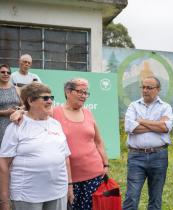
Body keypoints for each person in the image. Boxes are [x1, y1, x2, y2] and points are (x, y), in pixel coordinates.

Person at [10, 78, 109, 210]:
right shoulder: (54, 112)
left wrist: (106, 164)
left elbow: (98, 141)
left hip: (94, 175)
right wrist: (20, 112)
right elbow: (34, 112)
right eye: (80, 92)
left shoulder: (88, 113)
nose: (84, 96)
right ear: (68, 92)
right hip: (69, 179)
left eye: (86, 93)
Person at [0, 82, 71, 210]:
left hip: (58, 192)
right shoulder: (17, 126)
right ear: (31, 101)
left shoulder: (56, 124)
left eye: (51, 98)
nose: (50, 101)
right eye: (45, 98)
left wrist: (69, 185)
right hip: (27, 195)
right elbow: (3, 164)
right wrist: (4, 200)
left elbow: (65, 157)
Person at [123, 76, 173, 210]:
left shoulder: (165, 107)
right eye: (143, 87)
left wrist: (141, 121)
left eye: (149, 88)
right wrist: (157, 124)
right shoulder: (133, 106)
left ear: (158, 90)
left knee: (156, 198)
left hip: (159, 156)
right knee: (131, 196)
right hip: (136, 157)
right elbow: (129, 127)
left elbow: (165, 128)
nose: (145, 90)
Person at [0, 64, 22, 145]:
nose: (6, 74)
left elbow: (23, 105)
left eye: (8, 73)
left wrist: (18, 110)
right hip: (1, 125)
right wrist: (5, 112)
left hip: (16, 123)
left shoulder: (16, 88)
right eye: (3, 72)